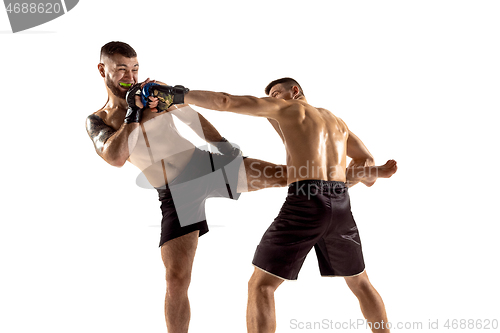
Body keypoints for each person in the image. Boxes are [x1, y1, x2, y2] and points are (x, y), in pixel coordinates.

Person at [87, 42, 395, 333]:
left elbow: (194, 115)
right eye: (121, 70)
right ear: (103, 71)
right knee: (177, 278)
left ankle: (349, 179)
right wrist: (133, 113)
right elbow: (115, 157)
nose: (131, 76)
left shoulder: (153, 94)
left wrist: (221, 146)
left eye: (134, 68)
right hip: (174, 192)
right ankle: (353, 180)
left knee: (292, 175)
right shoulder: (98, 120)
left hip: (204, 165)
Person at [174, 77, 397, 333]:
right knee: (360, 283)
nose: (272, 100)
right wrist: (365, 175)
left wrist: (179, 95)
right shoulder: (336, 121)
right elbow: (365, 161)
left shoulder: (289, 108)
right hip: (341, 203)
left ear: (295, 91)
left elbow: (225, 101)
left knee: (261, 286)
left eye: (276, 94)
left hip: (306, 201)